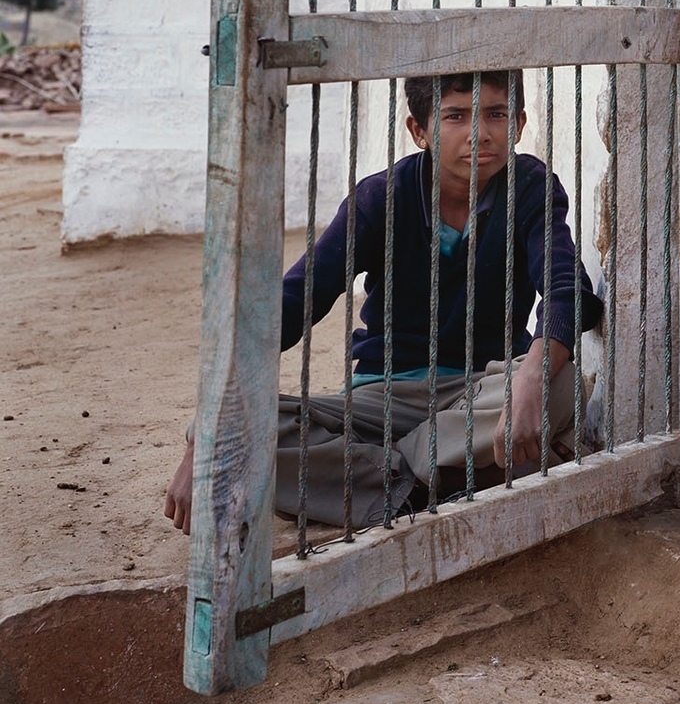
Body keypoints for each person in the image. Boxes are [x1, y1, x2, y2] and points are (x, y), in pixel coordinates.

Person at [164, 69, 600, 534]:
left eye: (496, 114)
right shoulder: (381, 197)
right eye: (455, 116)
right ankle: (443, 476)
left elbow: (567, 289)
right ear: (419, 131)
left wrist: (529, 382)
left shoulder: (529, 186)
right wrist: (206, 440)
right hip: (382, 397)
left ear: (517, 124)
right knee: (249, 427)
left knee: (563, 381)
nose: (480, 133)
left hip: (479, 389)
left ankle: (371, 481)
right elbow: (293, 302)